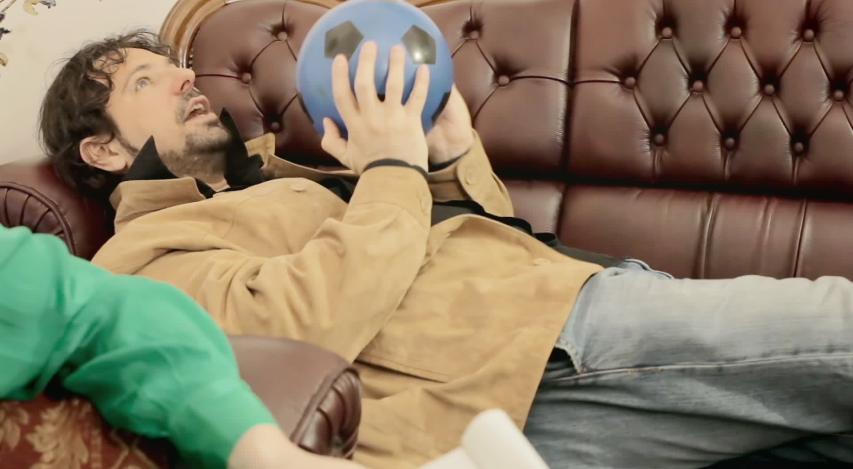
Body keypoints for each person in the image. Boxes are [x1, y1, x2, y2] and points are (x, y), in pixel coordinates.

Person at [37, 28, 853, 469]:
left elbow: (482, 242)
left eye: (177, 68)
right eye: (144, 82)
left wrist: (447, 157)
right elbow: (300, 329)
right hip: (538, 361)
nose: (186, 80)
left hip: (553, 326)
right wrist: (390, 166)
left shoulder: (275, 177)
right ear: (105, 152)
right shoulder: (142, 257)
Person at [0, 223, 368, 469]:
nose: (192, 98)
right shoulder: (154, 236)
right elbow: (309, 321)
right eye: (137, 97)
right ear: (104, 150)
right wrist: (393, 169)